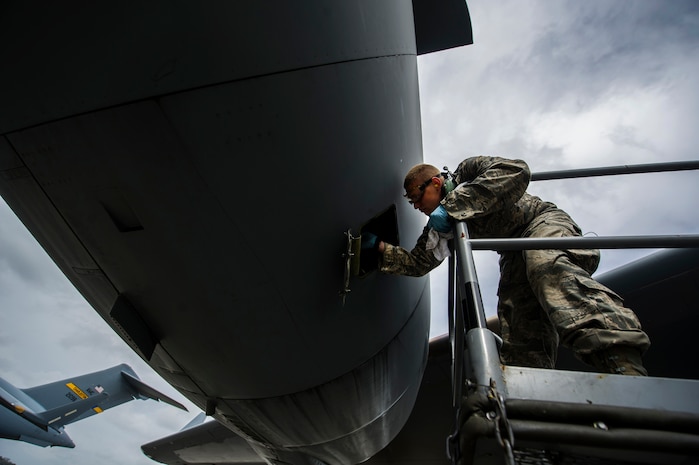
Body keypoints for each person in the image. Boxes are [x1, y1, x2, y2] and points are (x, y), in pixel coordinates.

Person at [368, 156, 650, 375]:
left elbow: (516, 171)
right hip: (513, 251)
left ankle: (619, 358)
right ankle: (530, 398)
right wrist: (378, 248)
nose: (416, 206)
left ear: (435, 183)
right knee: (517, 316)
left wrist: (454, 206)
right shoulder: (439, 228)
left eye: (416, 197)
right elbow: (418, 263)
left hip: (541, 224)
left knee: (546, 265)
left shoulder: (468, 173)